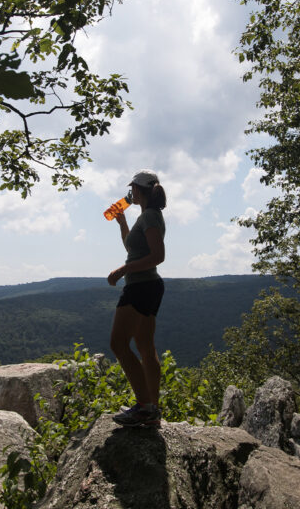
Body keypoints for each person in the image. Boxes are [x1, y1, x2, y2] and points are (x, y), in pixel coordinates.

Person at [107, 169, 167, 427]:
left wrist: (123, 270)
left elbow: (157, 256)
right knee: (145, 347)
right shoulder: (147, 216)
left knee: (118, 344)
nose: (130, 193)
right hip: (148, 286)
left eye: (133, 188)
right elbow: (135, 248)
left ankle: (144, 406)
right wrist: (122, 224)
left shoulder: (151, 217)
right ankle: (151, 409)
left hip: (140, 287)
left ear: (140, 190)